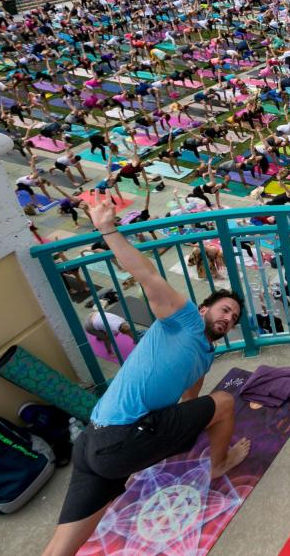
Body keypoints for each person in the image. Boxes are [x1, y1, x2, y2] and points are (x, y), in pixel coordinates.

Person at [42, 194, 252, 556]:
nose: (228, 319)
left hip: (95, 443)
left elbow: (193, 392)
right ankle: (218, 465)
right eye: (224, 310)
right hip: (120, 438)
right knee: (226, 401)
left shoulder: (204, 352)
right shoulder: (183, 318)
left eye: (233, 318)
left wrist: (195, 418)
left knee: (62, 547)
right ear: (204, 307)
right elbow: (146, 274)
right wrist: (107, 229)